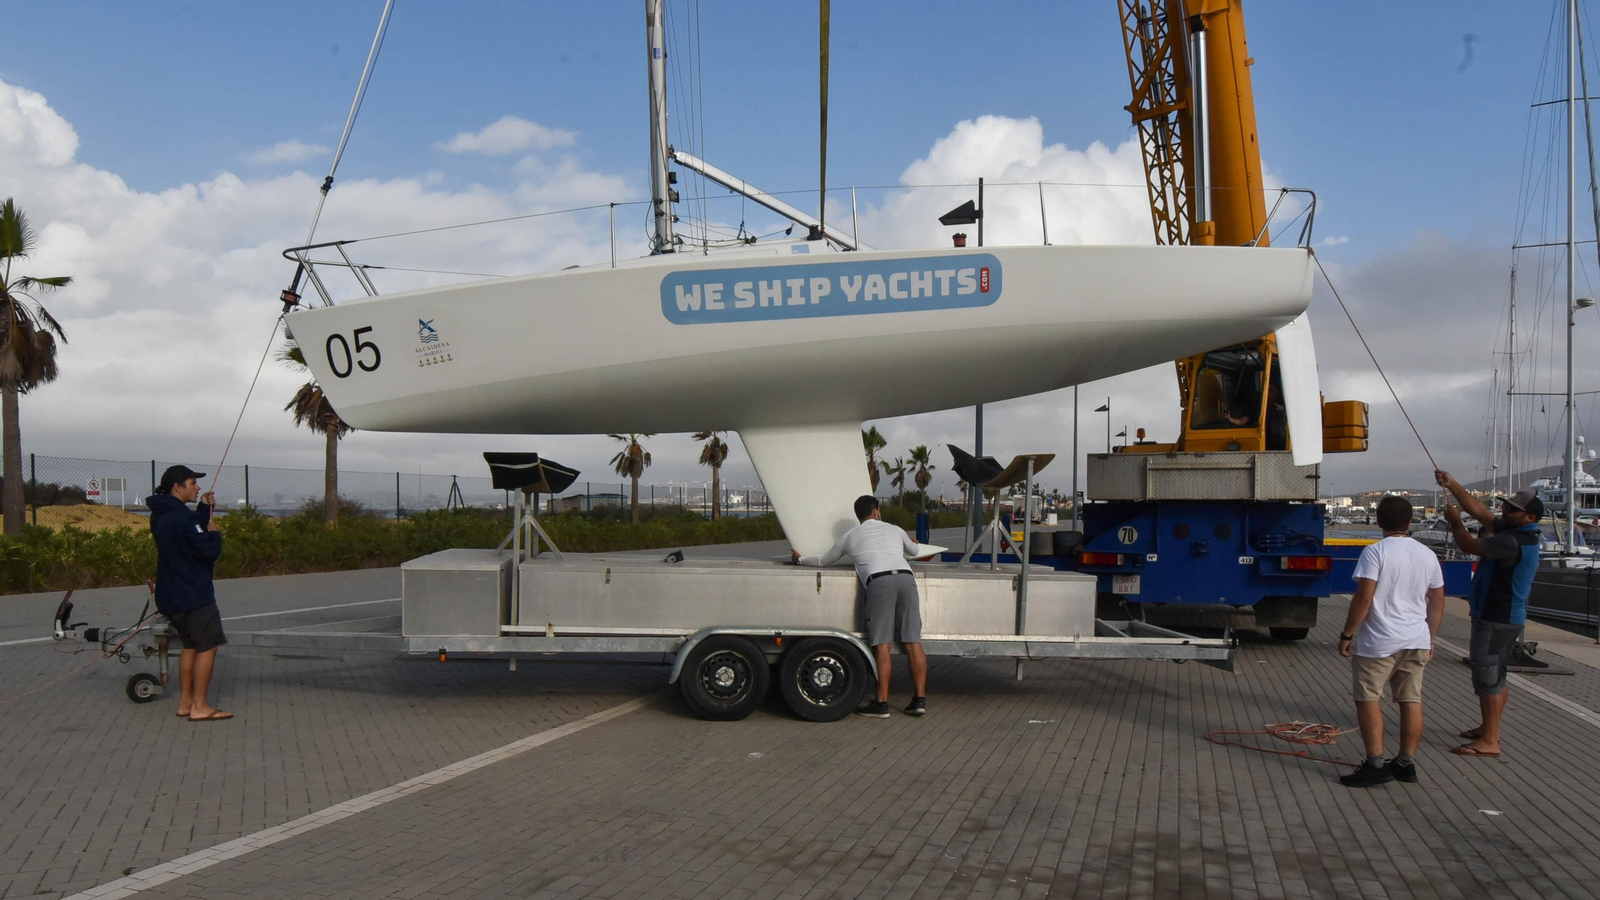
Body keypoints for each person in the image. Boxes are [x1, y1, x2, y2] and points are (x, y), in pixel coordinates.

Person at [1336, 495, 1446, 787]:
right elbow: (1437, 601)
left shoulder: (1375, 552)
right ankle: (1405, 763)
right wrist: (1431, 638)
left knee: (1368, 698)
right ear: (1410, 521)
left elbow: (1364, 598)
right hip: (1416, 639)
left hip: (1379, 641)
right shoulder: (1428, 555)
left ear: (1379, 521)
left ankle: (1375, 764)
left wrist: (1347, 633)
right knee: (1411, 699)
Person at [1436, 470, 1543, 758]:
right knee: (1497, 675)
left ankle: (1490, 740)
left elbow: (1468, 545)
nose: (1505, 511)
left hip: (1497, 618)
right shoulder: (1518, 532)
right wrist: (1452, 484)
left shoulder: (1512, 541)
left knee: (1487, 678)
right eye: (1506, 505)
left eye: (1512, 509)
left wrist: (1455, 521)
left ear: (1530, 517)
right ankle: (1488, 728)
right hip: (1504, 618)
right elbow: (1481, 512)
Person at [792, 495, 928, 718]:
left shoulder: (850, 536)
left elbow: (823, 561)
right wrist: (912, 542)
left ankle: (881, 704)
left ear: (859, 515)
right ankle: (919, 701)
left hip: (880, 581)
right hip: (906, 579)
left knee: (882, 645)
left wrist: (799, 559)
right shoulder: (895, 529)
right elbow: (913, 552)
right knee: (913, 641)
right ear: (876, 511)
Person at [146, 465, 231, 722]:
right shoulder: (182, 517)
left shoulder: (161, 515)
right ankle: (200, 707)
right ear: (177, 487)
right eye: (193, 483)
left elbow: (188, 533)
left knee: (190, 646)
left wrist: (203, 508)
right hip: (192, 595)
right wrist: (214, 535)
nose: (197, 487)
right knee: (207, 647)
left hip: (170, 596)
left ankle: (185, 703)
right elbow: (207, 550)